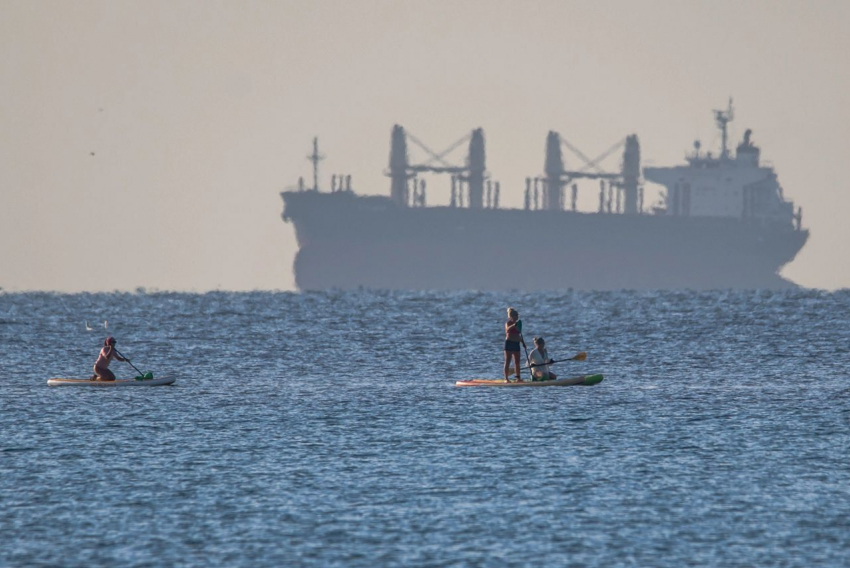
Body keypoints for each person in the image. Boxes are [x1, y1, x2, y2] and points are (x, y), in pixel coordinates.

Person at [504, 307, 527, 382]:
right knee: (508, 361)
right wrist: (514, 325)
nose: (517, 317)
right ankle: (506, 378)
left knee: (517, 362)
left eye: (517, 316)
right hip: (509, 343)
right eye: (516, 316)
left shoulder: (519, 323)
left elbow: (519, 335)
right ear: (511, 316)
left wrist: (523, 343)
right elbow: (508, 330)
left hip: (516, 343)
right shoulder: (508, 323)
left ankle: (518, 378)